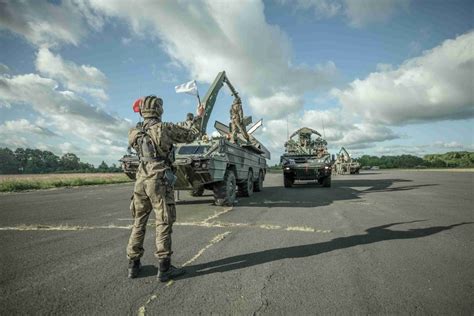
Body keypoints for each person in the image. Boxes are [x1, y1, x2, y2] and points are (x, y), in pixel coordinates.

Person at [127, 95, 197, 281]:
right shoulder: (164, 128)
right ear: (159, 109)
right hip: (158, 179)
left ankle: (133, 265)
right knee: (163, 221)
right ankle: (164, 268)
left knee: (138, 221)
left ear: (143, 111)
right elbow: (191, 135)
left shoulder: (134, 132)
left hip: (140, 179)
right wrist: (194, 120)